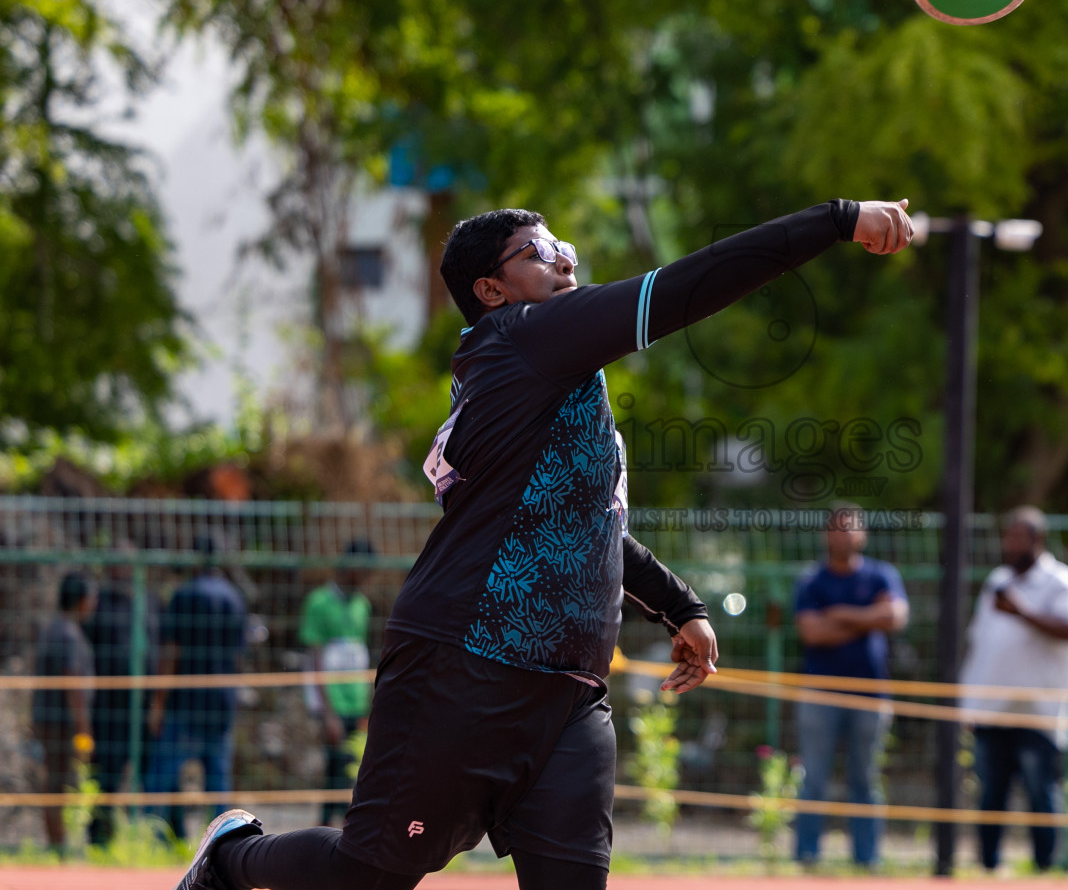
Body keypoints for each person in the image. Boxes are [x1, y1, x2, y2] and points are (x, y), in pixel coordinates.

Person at [175, 197, 916, 890]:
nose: (565, 261)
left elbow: (580, 523)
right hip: (466, 666)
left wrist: (679, 607)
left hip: (569, 693)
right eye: (538, 252)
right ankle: (234, 854)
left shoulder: (556, 372)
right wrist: (838, 220)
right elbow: (689, 287)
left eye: (562, 246)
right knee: (370, 872)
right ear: (492, 291)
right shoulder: (525, 340)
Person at [957, 507, 1068, 874]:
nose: (1009, 544)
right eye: (1007, 536)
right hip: (991, 711)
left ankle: (1045, 869)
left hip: (1038, 714)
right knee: (990, 794)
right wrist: (968, 704)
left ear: (1037, 540)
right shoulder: (997, 582)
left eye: (1017, 537)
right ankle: (988, 867)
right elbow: (980, 645)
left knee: (1040, 794)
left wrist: (1022, 612)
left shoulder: (1062, 583)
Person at [792, 502, 909, 869]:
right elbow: (812, 632)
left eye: (851, 527)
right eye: (837, 528)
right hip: (820, 694)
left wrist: (840, 614)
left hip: (871, 695)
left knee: (865, 779)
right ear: (828, 533)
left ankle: (867, 858)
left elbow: (896, 617)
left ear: (863, 533)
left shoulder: (882, 575)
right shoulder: (811, 580)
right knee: (814, 778)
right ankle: (807, 856)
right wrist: (868, 619)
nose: (844, 534)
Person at [148, 533, 249, 841]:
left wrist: (158, 702)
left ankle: (148, 840)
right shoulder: (235, 598)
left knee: (161, 777)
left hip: (186, 701)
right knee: (218, 784)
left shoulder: (184, 595)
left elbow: (171, 651)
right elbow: (239, 656)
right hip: (221, 702)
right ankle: (221, 847)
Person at [84, 537, 161, 847]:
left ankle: (158, 841)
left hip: (145, 708)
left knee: (153, 774)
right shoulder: (98, 604)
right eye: (115, 562)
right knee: (106, 776)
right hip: (109, 708)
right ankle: (100, 839)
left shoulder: (150, 602)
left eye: (126, 562)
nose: (121, 568)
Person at [299, 538, 376, 827]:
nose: (368, 578)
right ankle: (324, 829)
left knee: (353, 769)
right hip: (329, 703)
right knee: (332, 767)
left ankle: (345, 829)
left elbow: (361, 657)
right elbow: (316, 661)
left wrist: (368, 706)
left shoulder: (362, 605)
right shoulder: (319, 603)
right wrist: (328, 712)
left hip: (356, 703)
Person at [33, 570, 97, 853]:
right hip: (61, 723)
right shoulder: (68, 634)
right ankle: (59, 847)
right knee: (58, 784)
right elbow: (72, 683)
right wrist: (84, 727)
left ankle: (59, 844)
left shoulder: (54, 628)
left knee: (56, 783)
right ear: (81, 600)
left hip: (49, 719)